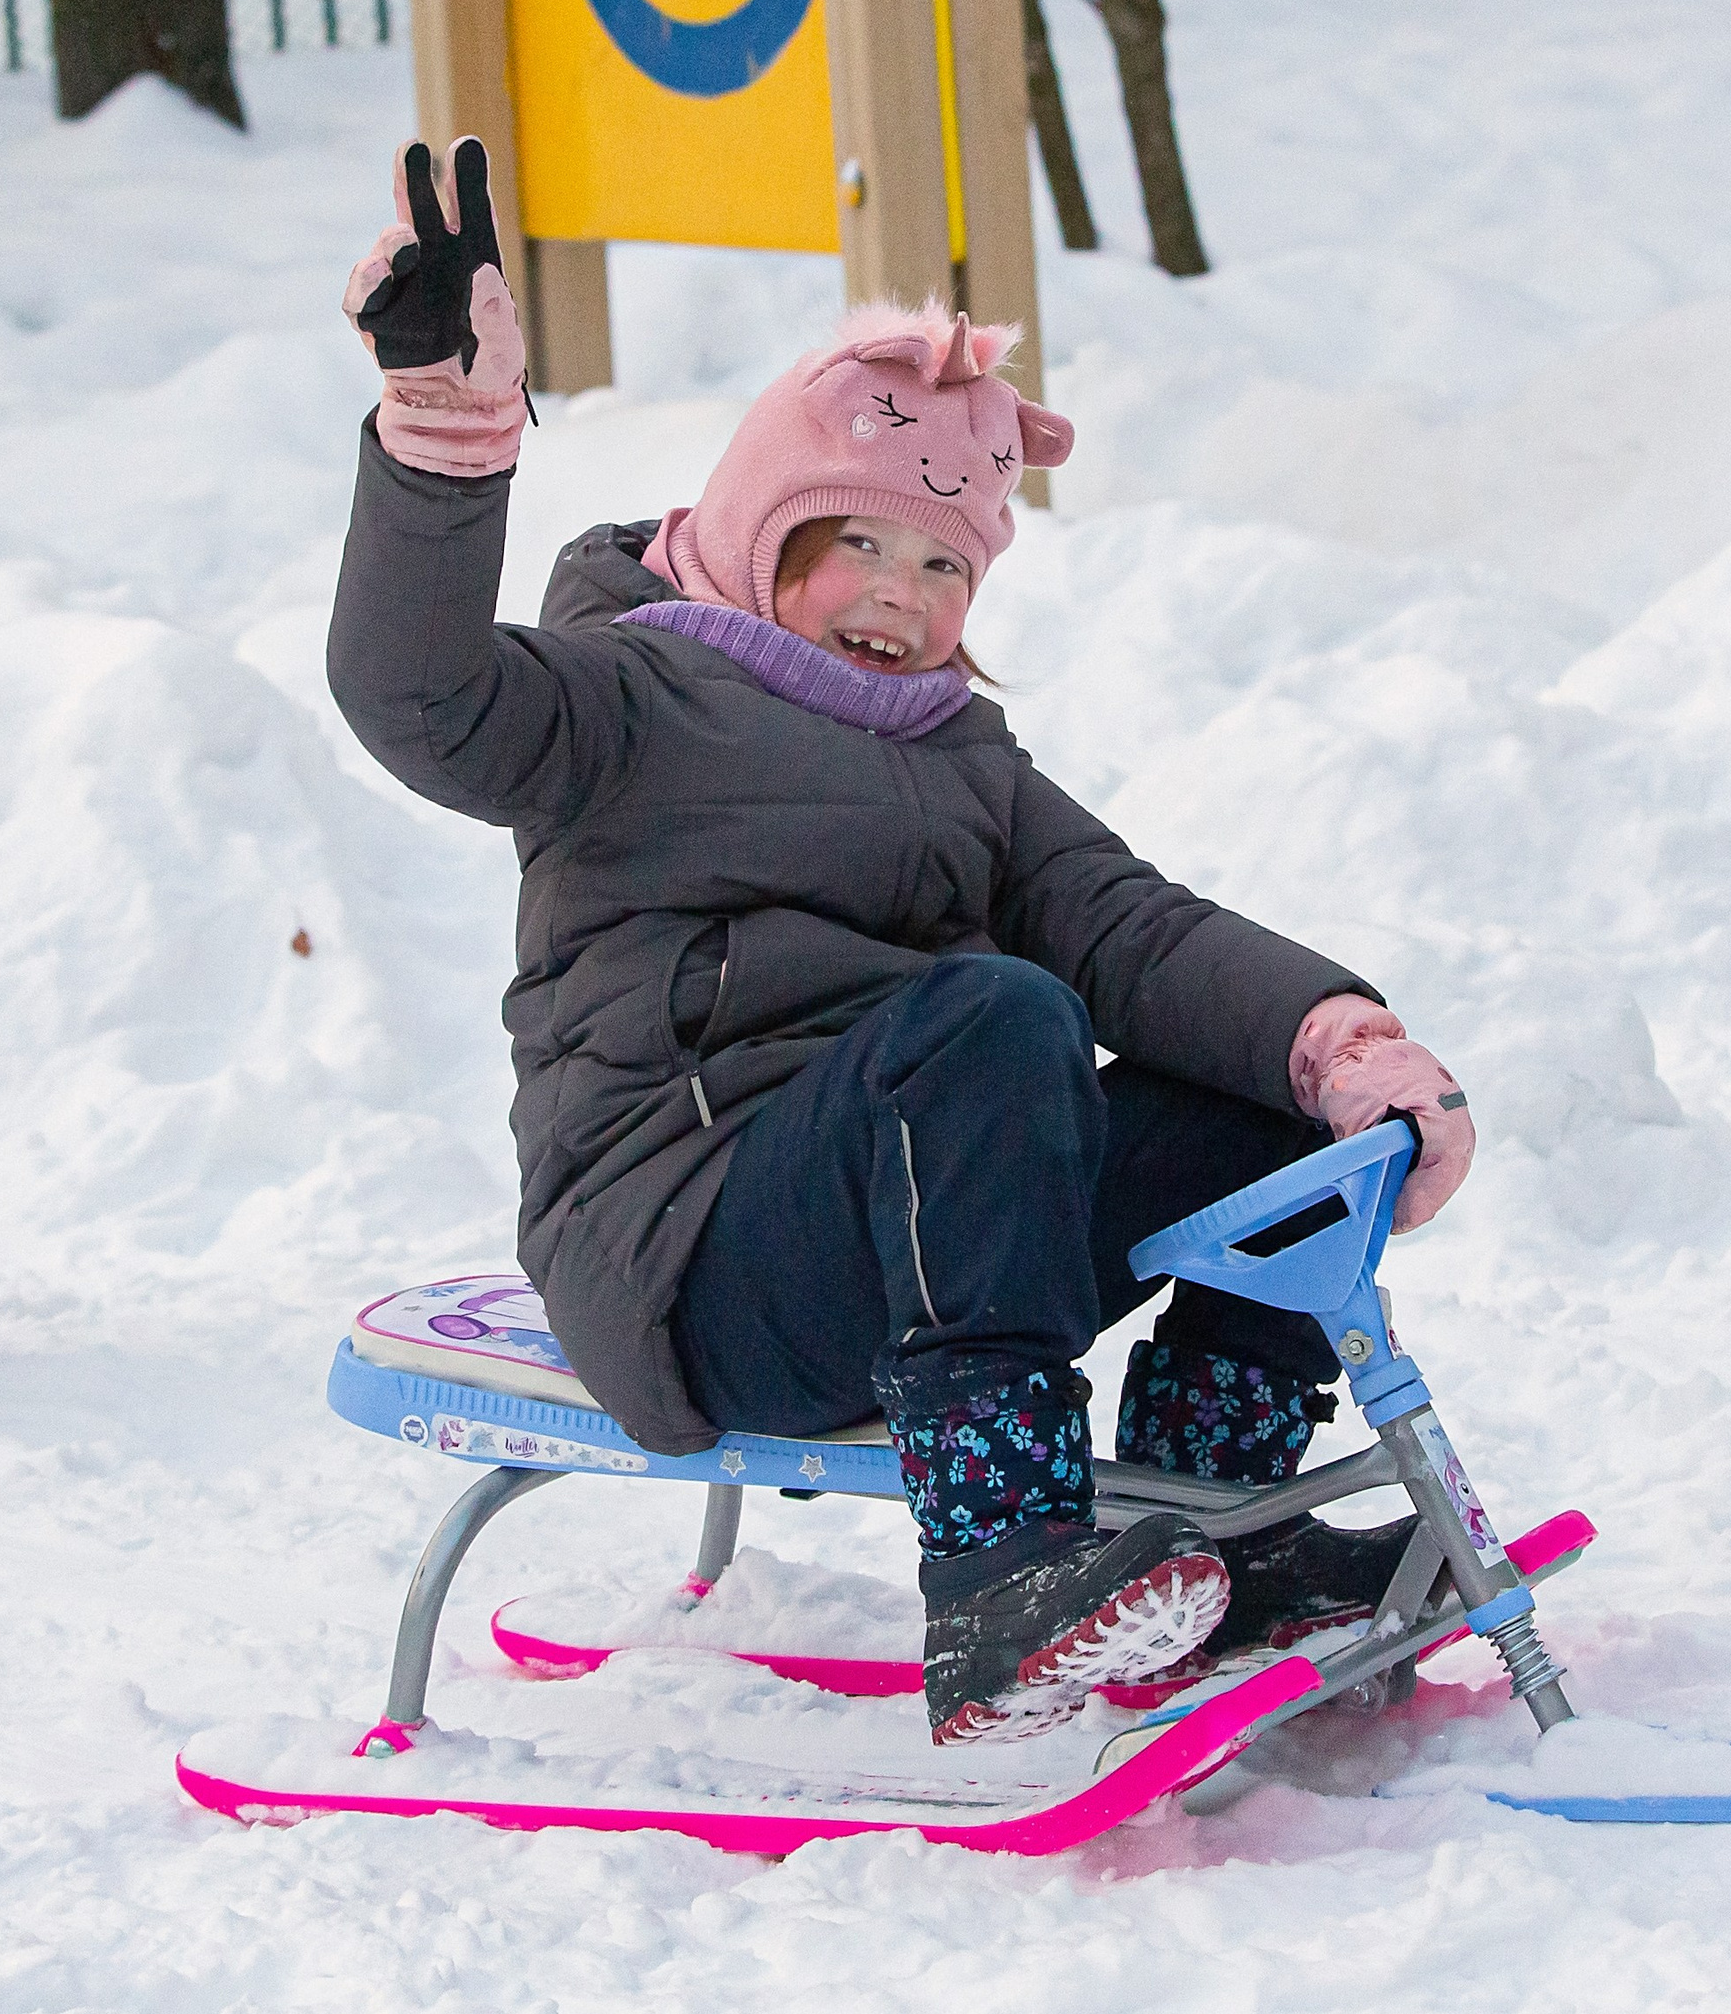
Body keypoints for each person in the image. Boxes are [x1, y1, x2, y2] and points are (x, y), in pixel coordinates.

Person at [329, 140, 1477, 1744]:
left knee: (1264, 1112)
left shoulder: (959, 759)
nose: (903, 593)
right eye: (857, 541)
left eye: (946, 564)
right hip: (701, 1258)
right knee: (994, 1018)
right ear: (757, 528)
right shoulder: (628, 692)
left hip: (928, 1229)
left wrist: (1341, 1046)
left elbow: (1132, 928)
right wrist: (445, 444)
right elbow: (421, 699)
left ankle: (1214, 1528)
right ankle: (1004, 1568)